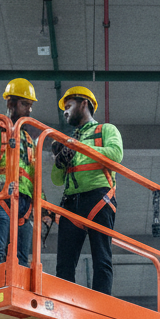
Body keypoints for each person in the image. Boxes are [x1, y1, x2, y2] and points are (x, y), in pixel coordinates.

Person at [0, 78, 52, 269]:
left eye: (30, 105)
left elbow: (34, 175)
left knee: (21, 259)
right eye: (25, 104)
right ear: (10, 104)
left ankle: (16, 289)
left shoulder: (29, 140)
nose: (29, 110)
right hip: (1, 195)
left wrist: (42, 204)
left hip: (25, 203)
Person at [51, 86, 123, 294]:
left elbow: (116, 154)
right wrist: (59, 162)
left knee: (102, 259)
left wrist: (79, 148)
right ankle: (65, 304)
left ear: (84, 104)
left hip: (98, 198)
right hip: (71, 202)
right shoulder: (67, 141)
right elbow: (56, 180)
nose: (65, 112)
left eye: (69, 106)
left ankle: (101, 305)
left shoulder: (105, 130)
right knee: (64, 265)